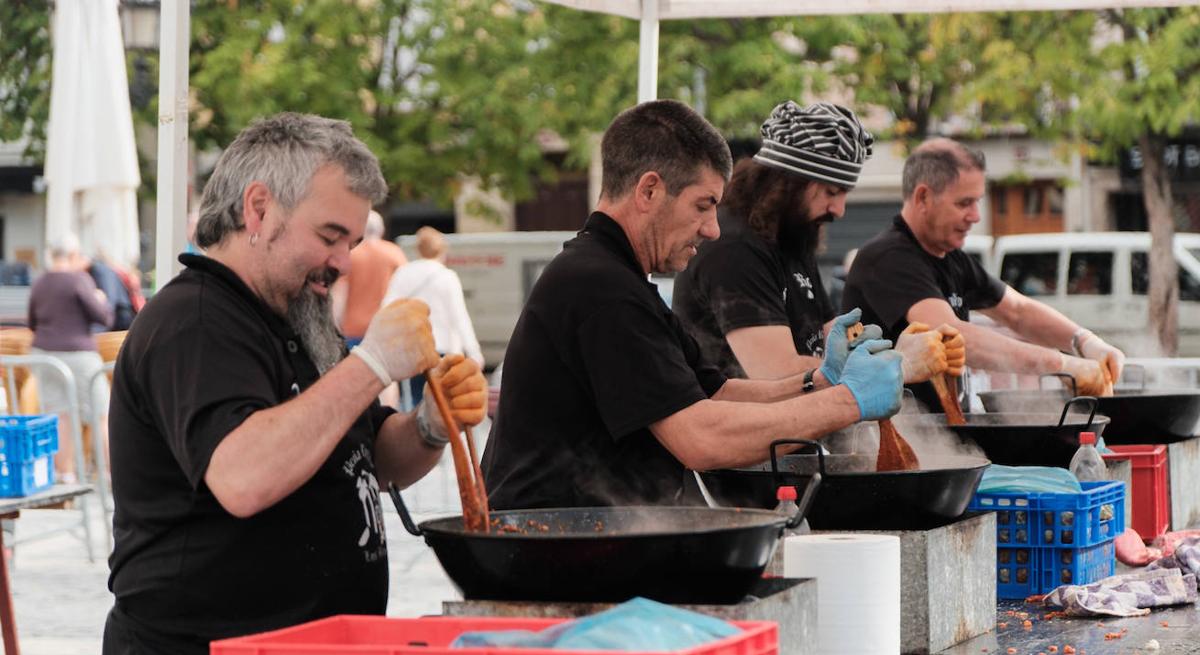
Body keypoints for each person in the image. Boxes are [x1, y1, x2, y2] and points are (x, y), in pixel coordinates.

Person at [97, 112, 487, 655]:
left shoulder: (295, 320)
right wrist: (371, 365)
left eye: (353, 240)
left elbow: (373, 460)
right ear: (257, 208)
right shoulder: (196, 322)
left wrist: (429, 425)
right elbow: (243, 476)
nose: (340, 261)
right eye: (329, 237)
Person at [481, 99, 903, 511]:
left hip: (592, 534)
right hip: (549, 546)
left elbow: (717, 394)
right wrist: (848, 401)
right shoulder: (599, 287)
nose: (712, 229)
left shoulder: (621, 280)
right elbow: (702, 438)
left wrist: (820, 380)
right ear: (649, 190)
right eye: (703, 205)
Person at [672, 101, 961, 390]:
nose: (839, 210)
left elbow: (826, 334)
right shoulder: (734, 248)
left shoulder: (791, 235)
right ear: (787, 183)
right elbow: (776, 372)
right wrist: (897, 362)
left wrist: (887, 348)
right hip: (737, 428)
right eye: (831, 192)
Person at [841, 138, 1123, 407]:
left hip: (944, 435)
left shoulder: (951, 258)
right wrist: (1061, 365)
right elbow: (955, 336)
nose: (976, 216)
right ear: (923, 197)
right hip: (896, 436)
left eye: (978, 201)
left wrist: (1084, 342)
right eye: (964, 203)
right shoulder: (889, 258)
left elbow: (1018, 311)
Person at [27, 232, 115, 482]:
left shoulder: (40, 282)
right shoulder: (79, 280)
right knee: (100, 413)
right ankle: (109, 472)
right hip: (79, 355)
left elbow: (32, 321)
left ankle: (64, 474)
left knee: (59, 415)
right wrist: (100, 298)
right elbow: (104, 317)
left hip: (44, 354)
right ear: (74, 255)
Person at [382, 225, 484, 405]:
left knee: (412, 401)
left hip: (412, 348)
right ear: (443, 250)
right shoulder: (447, 276)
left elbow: (388, 308)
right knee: (441, 404)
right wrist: (474, 351)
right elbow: (459, 316)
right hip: (443, 348)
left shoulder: (404, 272)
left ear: (418, 249)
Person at [330, 209, 408, 346]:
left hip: (353, 330)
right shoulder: (395, 254)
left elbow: (339, 296)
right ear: (381, 229)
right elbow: (405, 293)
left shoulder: (350, 256)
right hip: (385, 329)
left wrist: (335, 326)